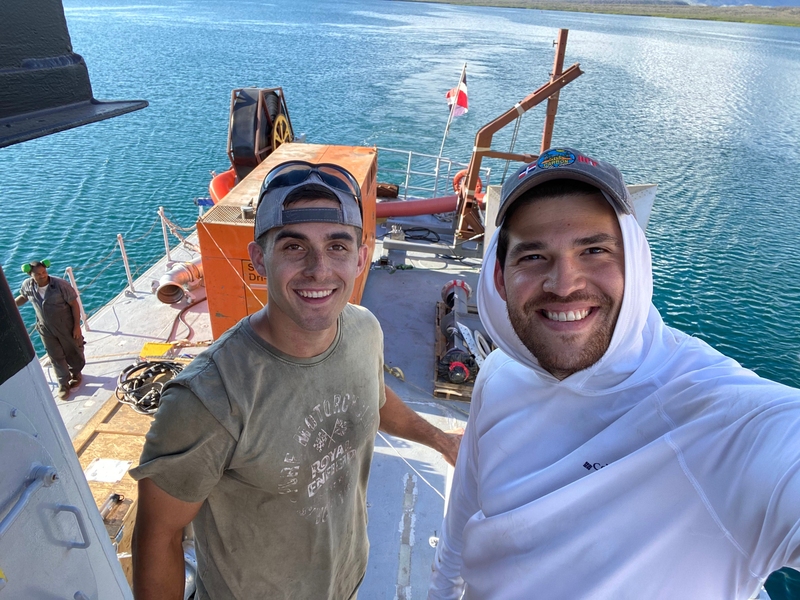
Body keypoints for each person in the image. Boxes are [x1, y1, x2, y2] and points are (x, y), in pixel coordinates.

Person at [428, 147, 800, 598]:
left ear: (635, 264)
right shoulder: (500, 373)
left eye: (594, 250)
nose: (564, 285)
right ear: (500, 279)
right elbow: (463, 516)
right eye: (533, 256)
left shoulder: (730, 421)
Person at [131, 161, 461, 600]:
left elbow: (372, 400)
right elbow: (158, 537)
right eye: (293, 247)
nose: (318, 269)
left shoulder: (363, 328)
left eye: (338, 247)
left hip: (345, 581)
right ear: (258, 260)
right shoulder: (209, 398)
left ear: (362, 258)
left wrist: (440, 440)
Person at [15, 259, 85, 400]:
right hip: (45, 328)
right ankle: (63, 384)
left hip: (66, 326)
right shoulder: (28, 286)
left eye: (44, 272)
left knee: (73, 350)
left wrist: (77, 326)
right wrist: (10, 304)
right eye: (38, 274)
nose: (42, 275)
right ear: (30, 275)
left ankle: (76, 373)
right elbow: (23, 297)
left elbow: (74, 304)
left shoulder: (60, 285)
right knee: (55, 356)